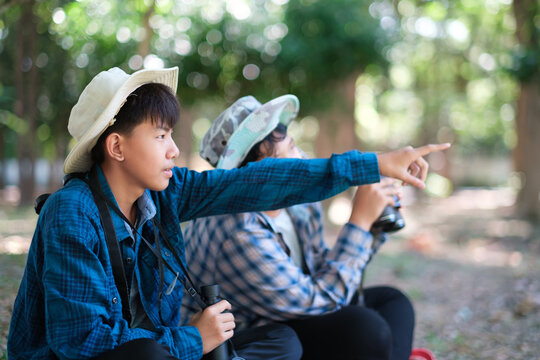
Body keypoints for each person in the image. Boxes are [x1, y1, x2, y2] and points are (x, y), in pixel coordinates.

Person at [7, 67, 447, 360]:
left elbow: (258, 183)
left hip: (167, 348)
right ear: (116, 146)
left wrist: (372, 165)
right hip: (131, 355)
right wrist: (194, 339)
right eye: (160, 135)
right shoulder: (71, 214)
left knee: (282, 342)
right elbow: (81, 343)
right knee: (144, 356)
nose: (174, 149)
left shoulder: (166, 195)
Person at [182, 95, 444, 360]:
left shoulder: (298, 203)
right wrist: (359, 224)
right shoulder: (237, 229)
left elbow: (321, 272)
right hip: (252, 341)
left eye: (293, 146)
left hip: (289, 313)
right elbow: (316, 302)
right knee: (365, 329)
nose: (301, 162)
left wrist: (374, 224)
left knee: (393, 303)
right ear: (253, 176)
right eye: (285, 158)